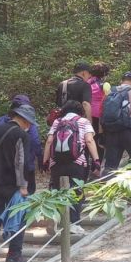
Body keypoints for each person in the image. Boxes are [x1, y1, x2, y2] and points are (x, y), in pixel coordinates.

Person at [0, 104, 36, 262]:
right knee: (18, 219)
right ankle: (13, 256)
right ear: (24, 119)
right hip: (13, 186)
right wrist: (23, 186)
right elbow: (21, 162)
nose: (29, 126)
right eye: (29, 122)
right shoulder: (21, 135)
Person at [43, 100, 100, 235]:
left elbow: (50, 141)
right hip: (77, 163)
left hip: (56, 164)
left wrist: (45, 161)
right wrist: (96, 160)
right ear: (80, 111)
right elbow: (89, 140)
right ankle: (74, 224)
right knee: (76, 192)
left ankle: (55, 219)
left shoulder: (57, 122)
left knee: (57, 191)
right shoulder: (83, 121)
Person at [101, 72, 131, 172]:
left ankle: (106, 184)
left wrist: (101, 135)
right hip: (130, 132)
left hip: (111, 132)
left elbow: (102, 115)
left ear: (121, 81)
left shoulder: (109, 93)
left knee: (110, 166)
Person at [0, 95, 42, 194]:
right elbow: (35, 141)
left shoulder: (0, 121)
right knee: (26, 200)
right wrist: (40, 157)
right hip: (26, 166)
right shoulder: (27, 122)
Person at [87, 62, 111, 160]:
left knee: (88, 139)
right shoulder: (104, 85)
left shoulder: (86, 83)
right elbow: (109, 101)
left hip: (86, 115)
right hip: (99, 116)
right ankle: (97, 164)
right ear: (104, 74)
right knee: (99, 141)